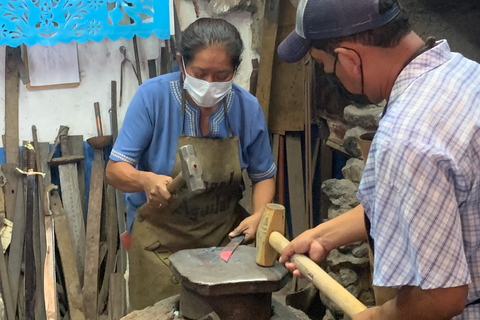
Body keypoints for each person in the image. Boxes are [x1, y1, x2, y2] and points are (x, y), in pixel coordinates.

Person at [277, 0, 480, 319]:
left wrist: (378, 315)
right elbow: (418, 203)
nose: (329, 74)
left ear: (347, 58)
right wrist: (323, 235)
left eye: (322, 64)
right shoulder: (462, 72)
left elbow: (442, 297)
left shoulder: (406, 136)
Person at [106, 18, 276, 310]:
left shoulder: (246, 108)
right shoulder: (152, 98)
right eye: (200, 73)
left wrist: (260, 213)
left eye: (221, 75)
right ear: (181, 63)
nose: (210, 84)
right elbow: (115, 170)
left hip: (224, 242)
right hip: (160, 246)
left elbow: (263, 176)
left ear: (235, 70)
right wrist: (145, 180)